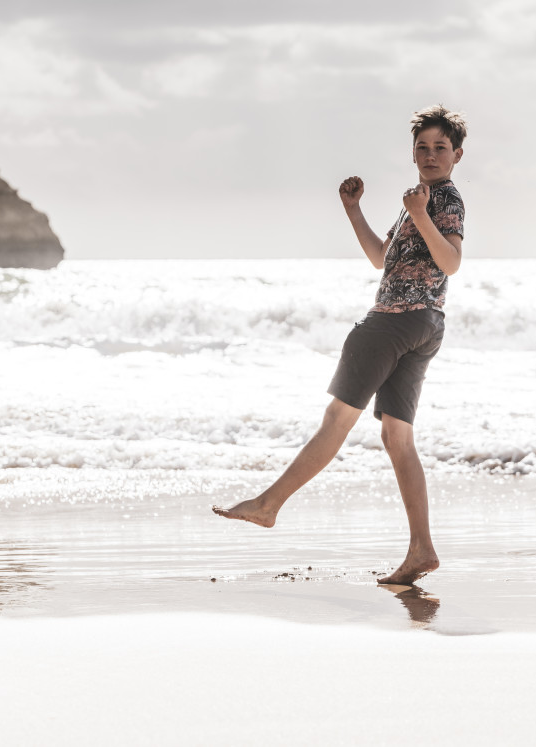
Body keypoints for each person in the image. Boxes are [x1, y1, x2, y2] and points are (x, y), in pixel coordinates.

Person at [213, 104, 467, 586]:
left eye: (440, 148)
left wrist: (421, 213)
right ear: (412, 153)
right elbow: (380, 258)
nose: (430, 155)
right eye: (422, 147)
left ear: (457, 154)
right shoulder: (418, 198)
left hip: (395, 323)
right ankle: (422, 549)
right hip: (426, 325)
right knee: (397, 437)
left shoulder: (443, 199)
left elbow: (451, 261)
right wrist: (354, 210)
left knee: (336, 419)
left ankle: (269, 504)